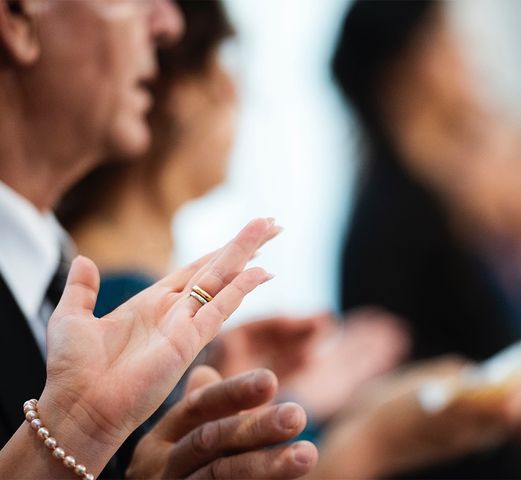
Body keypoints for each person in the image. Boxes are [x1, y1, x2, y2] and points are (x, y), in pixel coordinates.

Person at [57, 0, 411, 431]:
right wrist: (340, 426)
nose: (234, 89)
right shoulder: (115, 295)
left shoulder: (119, 271)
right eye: (216, 62)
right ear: (175, 93)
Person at [0, 0, 317, 478]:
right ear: (16, 17)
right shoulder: (101, 287)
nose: (167, 23)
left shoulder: (54, 281)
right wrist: (368, 450)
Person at [333, 0, 521, 477]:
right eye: (451, 38)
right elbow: (435, 399)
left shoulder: (438, 200)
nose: (470, 54)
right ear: (415, 65)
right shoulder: (398, 217)